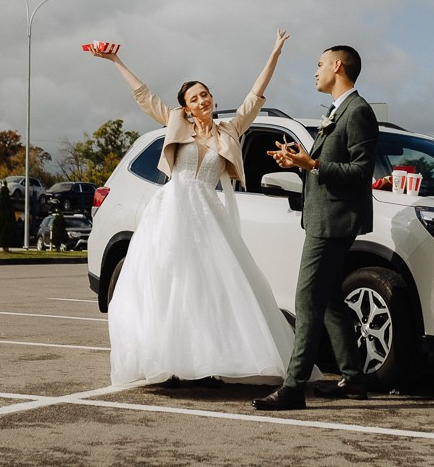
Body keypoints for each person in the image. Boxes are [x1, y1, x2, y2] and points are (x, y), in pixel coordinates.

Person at [91, 29, 300, 388]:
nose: (202, 100)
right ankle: (169, 362)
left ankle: (208, 362)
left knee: (210, 287)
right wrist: (116, 61)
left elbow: (255, 96)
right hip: (171, 212)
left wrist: (275, 53)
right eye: (195, 97)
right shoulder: (176, 122)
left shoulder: (229, 130)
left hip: (207, 213)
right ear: (186, 106)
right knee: (171, 285)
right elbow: (144, 96)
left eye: (205, 94)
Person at [253, 44, 379, 411]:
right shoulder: (337, 110)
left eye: (320, 64)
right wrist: (298, 162)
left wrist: (311, 164)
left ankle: (292, 388)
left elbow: (360, 172)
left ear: (337, 66)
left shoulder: (357, 111)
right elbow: (328, 165)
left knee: (306, 299)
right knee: (328, 300)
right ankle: (353, 378)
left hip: (334, 220)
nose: (316, 70)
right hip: (325, 216)